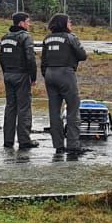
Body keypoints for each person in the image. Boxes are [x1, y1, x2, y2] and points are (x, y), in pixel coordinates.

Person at [40, 13, 89, 154]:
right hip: (66, 74)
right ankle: (73, 145)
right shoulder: (70, 37)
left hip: (50, 74)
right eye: (69, 22)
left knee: (54, 111)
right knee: (73, 110)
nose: (71, 24)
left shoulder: (47, 39)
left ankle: (58, 145)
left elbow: (43, 61)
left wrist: (47, 74)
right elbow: (82, 55)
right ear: (64, 24)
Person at [0, 12, 39, 149]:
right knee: (24, 109)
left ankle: (8, 140)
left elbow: (1, 58)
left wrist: (6, 73)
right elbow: (30, 59)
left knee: (10, 107)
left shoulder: (4, 38)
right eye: (28, 21)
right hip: (21, 75)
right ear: (21, 23)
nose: (29, 24)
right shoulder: (25, 37)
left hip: (8, 75)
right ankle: (24, 140)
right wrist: (33, 77)